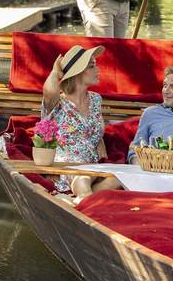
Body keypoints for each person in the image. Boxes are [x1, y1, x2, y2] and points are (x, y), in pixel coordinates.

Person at [42, 45, 121, 197]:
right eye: (92, 66)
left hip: (91, 165)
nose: (98, 70)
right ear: (77, 72)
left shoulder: (96, 99)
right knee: (83, 180)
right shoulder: (57, 102)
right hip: (66, 165)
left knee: (118, 180)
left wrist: (100, 140)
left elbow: (92, 128)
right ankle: (85, 199)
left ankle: (81, 199)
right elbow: (49, 91)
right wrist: (55, 72)